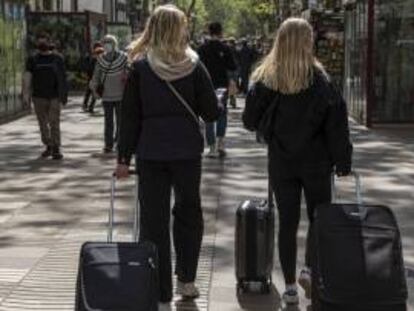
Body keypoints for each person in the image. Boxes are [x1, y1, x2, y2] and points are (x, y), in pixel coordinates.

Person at [115, 5, 219, 310]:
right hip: (187, 152)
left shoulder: (140, 68)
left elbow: (130, 117)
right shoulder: (195, 65)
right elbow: (211, 112)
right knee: (189, 214)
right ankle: (186, 280)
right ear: (180, 29)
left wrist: (123, 158)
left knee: (153, 221)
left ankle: (159, 290)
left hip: (150, 153)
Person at [242, 18, 353, 305]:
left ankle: (290, 286)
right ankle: (310, 269)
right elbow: (337, 126)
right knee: (319, 218)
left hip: (281, 160)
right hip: (317, 162)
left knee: (287, 223)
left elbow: (249, 120)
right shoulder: (321, 80)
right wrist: (343, 161)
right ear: (307, 41)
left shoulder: (267, 78)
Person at [23, 33, 68, 160]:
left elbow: (63, 78)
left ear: (49, 42)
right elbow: (27, 76)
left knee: (54, 122)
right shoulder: (32, 59)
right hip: (38, 97)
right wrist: (26, 94)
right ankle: (48, 144)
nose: (42, 41)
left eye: (44, 40)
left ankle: (56, 148)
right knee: (42, 123)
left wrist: (64, 95)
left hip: (54, 96)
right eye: (40, 39)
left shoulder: (58, 58)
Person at [198, 22, 237, 158]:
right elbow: (232, 66)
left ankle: (212, 147)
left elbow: (197, 66)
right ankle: (221, 143)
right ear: (221, 32)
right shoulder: (225, 48)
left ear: (209, 32)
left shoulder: (202, 48)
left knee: (208, 115)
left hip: (206, 85)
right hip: (222, 86)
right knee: (222, 113)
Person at [91, 34, 128, 153]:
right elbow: (96, 76)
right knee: (108, 122)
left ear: (114, 44)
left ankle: (121, 142)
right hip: (106, 96)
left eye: (109, 42)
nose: (107, 45)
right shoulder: (100, 60)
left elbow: (129, 73)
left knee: (121, 121)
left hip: (121, 95)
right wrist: (95, 90)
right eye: (105, 42)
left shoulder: (124, 58)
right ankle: (108, 144)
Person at [82, 42, 104, 113]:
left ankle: (87, 105)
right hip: (93, 77)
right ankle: (88, 106)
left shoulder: (93, 57)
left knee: (90, 91)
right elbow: (90, 68)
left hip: (92, 77)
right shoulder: (94, 58)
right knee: (91, 91)